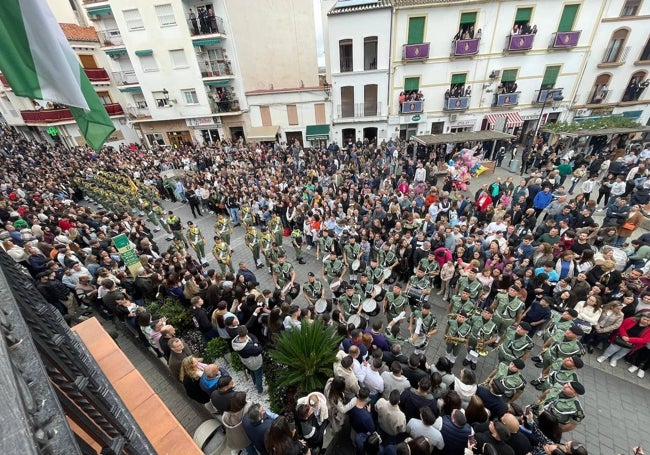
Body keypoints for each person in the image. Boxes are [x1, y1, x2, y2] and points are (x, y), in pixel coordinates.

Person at [232, 325, 264, 393]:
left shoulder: (235, 340)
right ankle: (260, 389)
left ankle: (255, 382)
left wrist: (255, 342)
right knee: (258, 375)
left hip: (247, 362)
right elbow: (259, 350)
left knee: (252, 371)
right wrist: (257, 345)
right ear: (246, 331)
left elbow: (252, 336)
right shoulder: (247, 347)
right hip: (255, 362)